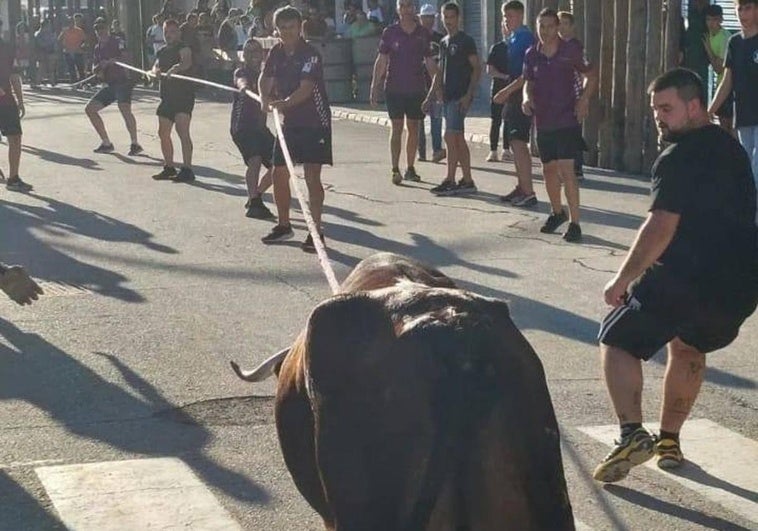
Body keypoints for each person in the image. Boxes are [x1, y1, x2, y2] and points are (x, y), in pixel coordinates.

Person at [593, 68, 758, 483]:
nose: (659, 118)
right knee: (687, 348)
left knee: (616, 339)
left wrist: (621, 280)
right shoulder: (732, 147)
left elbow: (660, 227)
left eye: (666, 109)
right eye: (654, 110)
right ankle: (669, 440)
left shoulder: (677, 156)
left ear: (695, 106)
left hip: (685, 277)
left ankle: (632, 434)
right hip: (738, 286)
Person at [259, 6, 333, 252]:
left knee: (312, 176)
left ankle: (316, 231)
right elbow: (265, 78)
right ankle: (284, 225)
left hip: (314, 122)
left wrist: (282, 104)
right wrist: (263, 97)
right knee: (279, 172)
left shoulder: (310, 54)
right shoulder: (276, 53)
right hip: (288, 123)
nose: (287, 32)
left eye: (292, 27)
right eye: (283, 28)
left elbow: (305, 89)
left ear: (300, 27)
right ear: (276, 29)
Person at [522, 8, 597, 242]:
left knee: (567, 170)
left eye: (550, 26)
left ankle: (575, 223)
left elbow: (591, 74)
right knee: (548, 170)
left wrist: (584, 99)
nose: (545, 31)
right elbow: (528, 83)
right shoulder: (531, 54)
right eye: (541, 26)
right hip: (543, 120)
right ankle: (557, 212)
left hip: (567, 118)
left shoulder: (571, 50)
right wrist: (526, 97)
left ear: (558, 27)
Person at [370, 0, 438, 185]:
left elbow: (430, 61)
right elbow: (381, 60)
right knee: (397, 127)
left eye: (409, 6)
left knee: (414, 127)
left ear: (414, 8)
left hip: (416, 88)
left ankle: (410, 167)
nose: (406, 10)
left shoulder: (423, 33)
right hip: (394, 88)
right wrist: (374, 86)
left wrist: (436, 86)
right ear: (398, 9)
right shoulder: (390, 32)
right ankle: (394, 168)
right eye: (403, 6)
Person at [424, 2, 480, 196]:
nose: (449, 21)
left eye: (452, 17)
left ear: (459, 18)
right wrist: (432, 95)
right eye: (445, 17)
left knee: (450, 136)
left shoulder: (466, 41)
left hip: (460, 96)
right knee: (457, 138)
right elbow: (440, 72)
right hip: (447, 96)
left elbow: (476, 68)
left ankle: (450, 179)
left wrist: (469, 94)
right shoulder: (444, 42)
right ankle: (467, 179)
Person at [709, 0, 758, 210]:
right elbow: (727, 81)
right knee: (747, 167)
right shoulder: (735, 43)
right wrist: (709, 110)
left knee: (757, 167)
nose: (742, 13)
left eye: (748, 8)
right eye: (739, 9)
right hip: (744, 114)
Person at [492, 1, 537, 207]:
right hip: (513, 94)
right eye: (504, 16)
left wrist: (506, 91)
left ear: (519, 15)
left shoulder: (525, 37)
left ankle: (528, 191)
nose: (506, 20)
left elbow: (525, 74)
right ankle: (522, 186)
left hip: (521, 94)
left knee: (519, 143)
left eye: (509, 16)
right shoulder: (513, 38)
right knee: (514, 140)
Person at [232, 39, 275, 220]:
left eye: (256, 51)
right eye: (248, 52)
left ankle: (255, 194)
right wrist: (244, 88)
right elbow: (240, 81)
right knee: (255, 159)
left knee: (279, 165)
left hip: (260, 128)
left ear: (262, 54)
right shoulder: (241, 71)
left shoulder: (266, 75)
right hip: (242, 126)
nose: (253, 55)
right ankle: (255, 202)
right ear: (244, 55)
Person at [85, 21, 142, 156]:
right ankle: (106, 142)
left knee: (125, 109)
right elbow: (94, 68)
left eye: (102, 28)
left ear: (108, 28)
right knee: (90, 109)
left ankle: (135, 143)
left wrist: (113, 60)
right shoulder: (97, 48)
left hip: (123, 81)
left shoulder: (118, 41)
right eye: (97, 29)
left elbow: (127, 57)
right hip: (109, 84)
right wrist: (99, 68)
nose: (100, 31)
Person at [152, 18, 196, 183]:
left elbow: (186, 62)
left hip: (183, 96)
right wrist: (155, 71)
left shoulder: (183, 47)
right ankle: (169, 167)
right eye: (166, 32)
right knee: (163, 132)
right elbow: (156, 65)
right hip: (167, 97)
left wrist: (177, 68)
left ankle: (187, 168)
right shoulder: (162, 51)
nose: (168, 35)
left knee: (182, 131)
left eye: (172, 32)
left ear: (178, 32)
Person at [0, 30, 30, 192]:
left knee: (15, 137)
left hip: (6, 101)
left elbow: (14, 75)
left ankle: (13, 178)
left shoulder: (7, 48)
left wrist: (20, 100)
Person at [416, 3, 444, 164]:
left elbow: (442, 63)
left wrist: (440, 85)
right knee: (419, 119)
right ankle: (421, 152)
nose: (428, 20)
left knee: (437, 118)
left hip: (435, 83)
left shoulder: (440, 39)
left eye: (431, 17)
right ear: (420, 18)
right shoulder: (415, 37)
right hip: (418, 84)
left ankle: (437, 150)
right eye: (425, 17)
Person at [702, 5, 734, 135]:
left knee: (729, 127)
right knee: (722, 125)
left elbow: (719, 68)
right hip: (719, 85)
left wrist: (708, 49)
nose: (711, 24)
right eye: (708, 20)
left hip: (729, 86)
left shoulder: (725, 37)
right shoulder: (707, 34)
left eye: (714, 20)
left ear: (721, 20)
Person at [486, 14, 511, 163]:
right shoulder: (496, 48)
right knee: (496, 120)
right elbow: (490, 70)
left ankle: (506, 150)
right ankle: (493, 151)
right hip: (497, 88)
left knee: (508, 119)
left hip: (512, 89)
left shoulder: (516, 47)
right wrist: (503, 76)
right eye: (505, 26)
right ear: (502, 28)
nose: (507, 29)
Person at [683, 0, 712, 93]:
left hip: (703, 51)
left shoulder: (707, 11)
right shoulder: (691, 8)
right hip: (689, 51)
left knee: (701, 85)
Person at [58, 16, 86, 83]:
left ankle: (82, 82)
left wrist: (82, 46)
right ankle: (74, 82)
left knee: (80, 69)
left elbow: (84, 40)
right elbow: (59, 39)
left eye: (71, 22)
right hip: (68, 52)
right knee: (71, 69)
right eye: (68, 22)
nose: (70, 24)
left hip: (78, 52)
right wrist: (64, 46)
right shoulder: (65, 31)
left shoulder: (79, 30)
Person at [34, 19, 57, 87]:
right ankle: (38, 83)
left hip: (51, 52)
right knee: (41, 68)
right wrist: (48, 45)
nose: (49, 27)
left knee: (51, 69)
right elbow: (40, 44)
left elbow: (54, 41)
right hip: (42, 53)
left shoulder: (51, 33)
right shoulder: (38, 34)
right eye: (48, 25)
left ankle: (53, 83)